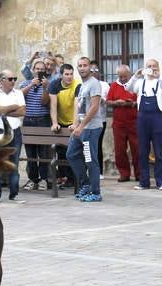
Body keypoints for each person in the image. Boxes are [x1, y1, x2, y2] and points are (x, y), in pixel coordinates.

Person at [126, 58, 162, 190]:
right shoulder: (140, 83)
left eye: (154, 66)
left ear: (158, 67)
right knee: (142, 150)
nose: (151, 68)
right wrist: (136, 75)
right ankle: (144, 181)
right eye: (149, 66)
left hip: (157, 117)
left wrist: (159, 76)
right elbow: (128, 88)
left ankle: (161, 182)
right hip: (142, 118)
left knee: (159, 151)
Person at [65, 57, 103, 202]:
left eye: (85, 65)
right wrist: (75, 124)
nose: (82, 68)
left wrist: (81, 126)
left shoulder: (94, 84)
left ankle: (95, 192)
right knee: (71, 154)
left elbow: (94, 107)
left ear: (90, 68)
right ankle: (85, 185)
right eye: (79, 66)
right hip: (81, 128)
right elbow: (80, 108)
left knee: (90, 159)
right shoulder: (82, 85)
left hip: (91, 128)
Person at [0, 69, 26, 204]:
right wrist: (13, 107)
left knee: (13, 163)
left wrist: (4, 110)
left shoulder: (19, 93)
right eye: (10, 79)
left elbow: (22, 111)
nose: (13, 81)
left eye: (15, 78)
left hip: (15, 131)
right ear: (2, 80)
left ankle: (14, 194)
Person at [19, 59, 51, 191]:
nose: (39, 71)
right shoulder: (25, 83)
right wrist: (31, 85)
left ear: (45, 71)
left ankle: (44, 179)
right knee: (30, 153)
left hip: (42, 120)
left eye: (41, 69)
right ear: (33, 70)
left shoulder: (48, 84)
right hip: (28, 120)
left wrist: (45, 87)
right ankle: (32, 179)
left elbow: (45, 102)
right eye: (37, 68)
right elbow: (19, 96)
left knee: (43, 152)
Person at [49, 64, 81, 188]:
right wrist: (55, 123)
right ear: (61, 75)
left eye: (71, 74)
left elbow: (77, 106)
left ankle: (73, 178)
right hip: (61, 122)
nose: (69, 77)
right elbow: (53, 106)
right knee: (61, 151)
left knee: (73, 151)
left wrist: (75, 123)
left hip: (73, 122)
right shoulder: (54, 85)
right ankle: (64, 178)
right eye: (66, 74)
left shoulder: (77, 85)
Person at [107, 64, 139, 182]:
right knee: (120, 150)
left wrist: (131, 103)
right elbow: (108, 101)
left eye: (125, 76)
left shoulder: (135, 85)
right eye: (120, 76)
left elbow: (139, 101)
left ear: (129, 75)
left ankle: (139, 174)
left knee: (137, 149)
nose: (123, 79)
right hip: (119, 123)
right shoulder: (114, 85)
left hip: (134, 122)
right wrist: (116, 103)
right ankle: (124, 174)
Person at [90, 60, 109, 178]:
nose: (93, 72)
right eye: (91, 70)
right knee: (88, 145)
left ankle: (100, 171)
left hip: (101, 119)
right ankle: (89, 169)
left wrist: (101, 99)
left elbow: (108, 100)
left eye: (95, 70)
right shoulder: (84, 84)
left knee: (97, 145)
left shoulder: (104, 85)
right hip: (87, 120)